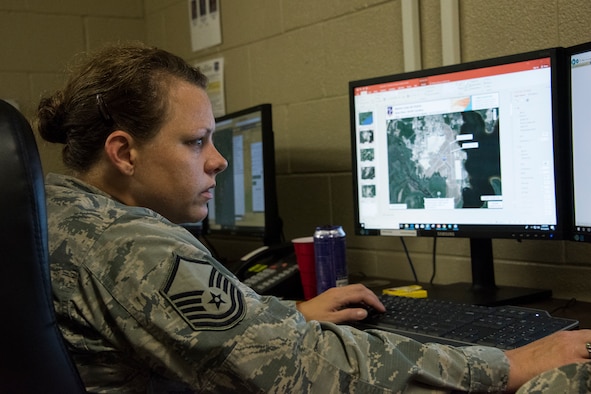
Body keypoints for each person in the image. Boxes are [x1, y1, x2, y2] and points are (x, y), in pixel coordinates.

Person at [36, 42, 591, 393]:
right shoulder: (131, 244)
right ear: (124, 152)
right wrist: (508, 364)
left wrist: (287, 315)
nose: (218, 159)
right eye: (196, 141)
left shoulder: (53, 208)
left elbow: (196, 332)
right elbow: (308, 370)